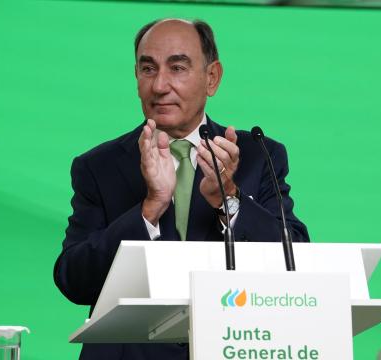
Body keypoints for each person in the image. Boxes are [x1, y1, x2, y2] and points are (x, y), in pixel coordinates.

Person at [53, 18, 309, 360]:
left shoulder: (257, 155)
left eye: (177, 67)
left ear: (212, 77)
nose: (160, 85)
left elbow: (298, 260)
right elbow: (74, 279)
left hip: (233, 346)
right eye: (148, 68)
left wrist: (228, 199)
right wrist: (150, 208)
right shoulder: (98, 166)